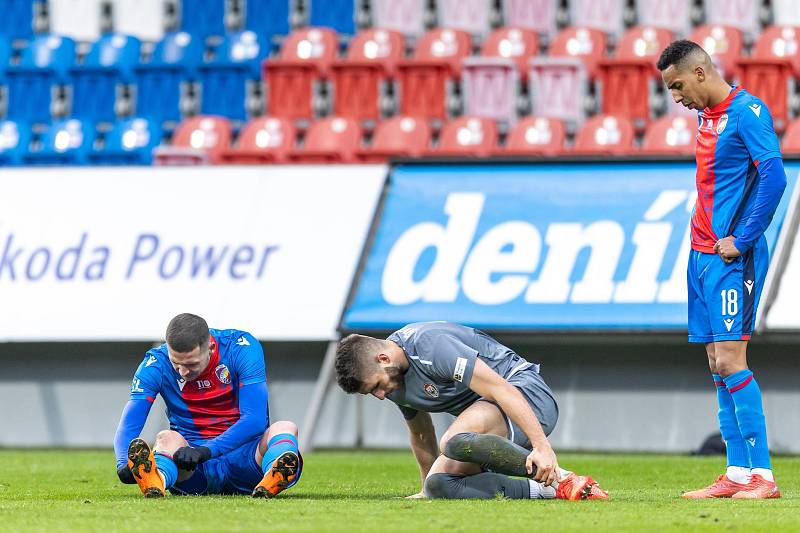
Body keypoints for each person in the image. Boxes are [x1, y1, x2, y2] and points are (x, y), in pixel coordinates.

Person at [657, 40, 787, 499]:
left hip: (733, 257)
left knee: (733, 359)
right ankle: (735, 472)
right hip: (701, 254)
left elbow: (774, 176)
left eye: (677, 86)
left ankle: (763, 477)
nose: (675, 97)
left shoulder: (748, 113)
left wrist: (744, 238)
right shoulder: (704, 115)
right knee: (716, 362)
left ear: (699, 73)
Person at [334, 321, 608, 500]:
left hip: (527, 396)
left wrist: (542, 446)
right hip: (485, 422)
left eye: (377, 386)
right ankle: (549, 490)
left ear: (383, 359)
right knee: (440, 485)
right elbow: (420, 433)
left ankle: (560, 476)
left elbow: (500, 389)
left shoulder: (431, 347)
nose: (381, 396)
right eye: (372, 393)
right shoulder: (394, 381)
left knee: (453, 441)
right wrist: (425, 487)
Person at [113, 313, 302, 498]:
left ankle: (272, 479)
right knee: (166, 438)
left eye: (192, 364)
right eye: (176, 363)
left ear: (211, 348)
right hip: (191, 467)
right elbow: (130, 422)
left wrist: (206, 451)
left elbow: (254, 420)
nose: (183, 371)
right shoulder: (155, 364)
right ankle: (156, 482)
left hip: (246, 458)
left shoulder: (241, 348)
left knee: (286, 427)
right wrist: (123, 463)